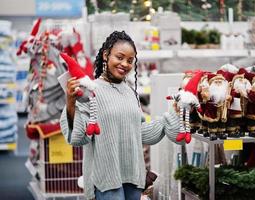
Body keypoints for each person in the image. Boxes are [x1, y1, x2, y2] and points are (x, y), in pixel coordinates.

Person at [59, 31, 181, 200]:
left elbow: (139, 132)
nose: (125, 64)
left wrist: (170, 117)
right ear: (106, 55)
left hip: (133, 176)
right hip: (105, 181)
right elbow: (78, 138)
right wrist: (71, 103)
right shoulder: (91, 91)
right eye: (120, 57)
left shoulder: (130, 92)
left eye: (130, 60)